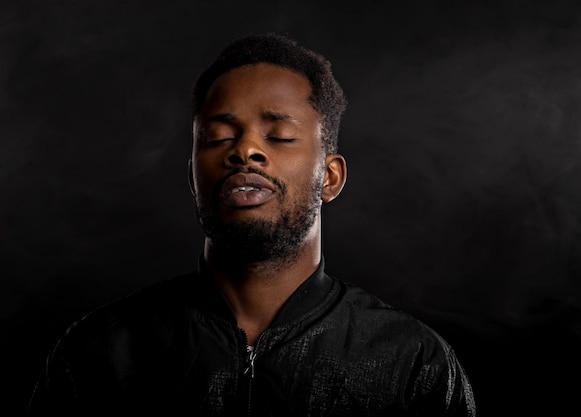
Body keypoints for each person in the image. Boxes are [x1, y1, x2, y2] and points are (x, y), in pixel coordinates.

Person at [27, 32, 476, 416]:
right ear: (193, 177)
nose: (245, 151)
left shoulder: (410, 361)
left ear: (330, 177)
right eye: (219, 136)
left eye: (278, 136)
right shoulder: (102, 351)